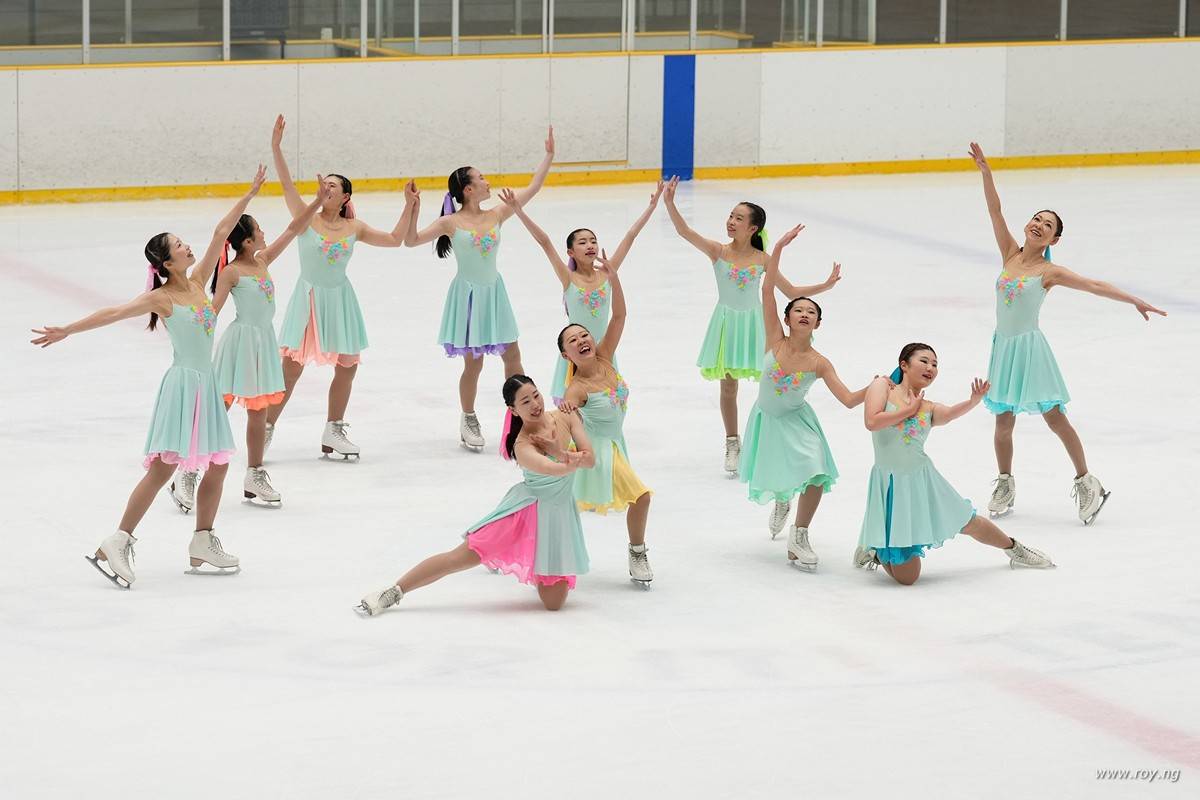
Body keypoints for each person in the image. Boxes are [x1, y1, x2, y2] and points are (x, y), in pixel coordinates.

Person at [31, 169, 270, 587]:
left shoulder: (198, 283)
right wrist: (68, 329)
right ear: (167, 263)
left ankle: (203, 539)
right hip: (184, 387)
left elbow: (221, 232)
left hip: (207, 385)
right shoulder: (161, 298)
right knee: (162, 470)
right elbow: (113, 312)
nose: (187, 246)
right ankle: (118, 540)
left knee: (218, 464)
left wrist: (249, 194)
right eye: (179, 245)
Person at [968, 142, 1166, 523]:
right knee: (1002, 422)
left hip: (1030, 351)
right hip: (1003, 349)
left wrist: (1134, 300)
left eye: (1048, 225)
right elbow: (995, 210)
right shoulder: (1009, 252)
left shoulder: (1049, 272)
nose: (1039, 225)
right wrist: (986, 173)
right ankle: (1005, 482)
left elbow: (1094, 285)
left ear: (1053, 240)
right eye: (1037, 219)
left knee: (1055, 418)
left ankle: (1087, 481)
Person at [357, 375, 593, 614]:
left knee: (554, 604)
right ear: (513, 410)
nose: (535, 404)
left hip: (558, 515)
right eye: (525, 401)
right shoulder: (523, 446)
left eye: (535, 395)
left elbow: (590, 460)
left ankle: (523, 553)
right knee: (458, 558)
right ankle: (394, 592)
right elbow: (556, 469)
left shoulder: (565, 416)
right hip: (525, 512)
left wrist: (561, 452)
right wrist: (562, 454)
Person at [662, 176, 838, 473]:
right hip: (727, 326)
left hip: (756, 327)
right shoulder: (718, 251)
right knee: (728, 387)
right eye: (731, 216)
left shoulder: (762, 259)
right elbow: (684, 231)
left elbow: (791, 292)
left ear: (753, 228)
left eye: (739, 218)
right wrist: (669, 203)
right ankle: (732, 442)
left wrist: (825, 285)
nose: (731, 221)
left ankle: (768, 440)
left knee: (769, 385)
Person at [267, 115, 419, 459]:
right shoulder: (306, 218)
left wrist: (409, 205)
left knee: (347, 365)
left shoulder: (354, 228)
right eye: (325, 184)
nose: (327, 187)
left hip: (341, 300)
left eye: (333, 185)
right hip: (309, 299)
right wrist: (276, 147)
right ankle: (266, 428)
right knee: (291, 368)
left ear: (345, 195)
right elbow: (287, 186)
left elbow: (395, 239)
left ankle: (333, 430)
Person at [853, 343, 1055, 586]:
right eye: (924, 361)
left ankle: (1014, 548)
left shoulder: (927, 407)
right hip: (890, 482)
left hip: (922, 479)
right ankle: (877, 548)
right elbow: (872, 421)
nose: (930, 368)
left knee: (967, 521)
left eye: (935, 364)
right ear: (904, 365)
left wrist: (973, 401)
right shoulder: (883, 386)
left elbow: (949, 413)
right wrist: (909, 410)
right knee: (908, 578)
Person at [403, 128, 555, 450]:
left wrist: (549, 156)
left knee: (512, 355)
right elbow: (411, 240)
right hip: (469, 298)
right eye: (481, 178)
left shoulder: (496, 213)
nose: (488, 182)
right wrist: (413, 207)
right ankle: (468, 418)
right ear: (468, 189)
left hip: (495, 294)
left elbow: (534, 187)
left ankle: (521, 420)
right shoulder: (450, 222)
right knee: (474, 364)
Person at [738, 224, 864, 569]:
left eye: (812, 312)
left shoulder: (819, 363)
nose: (805, 314)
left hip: (797, 422)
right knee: (782, 475)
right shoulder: (774, 339)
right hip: (767, 419)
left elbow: (849, 399)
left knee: (816, 472)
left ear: (817, 324)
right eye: (799, 310)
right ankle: (782, 498)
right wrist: (778, 246)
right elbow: (767, 289)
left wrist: (875, 387)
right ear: (787, 318)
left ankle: (800, 534)